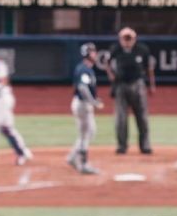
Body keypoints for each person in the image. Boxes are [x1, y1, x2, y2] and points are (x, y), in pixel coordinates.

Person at [106, 27, 155, 154]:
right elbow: (106, 62)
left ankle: (145, 145)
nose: (127, 41)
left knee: (142, 117)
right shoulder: (116, 49)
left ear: (134, 38)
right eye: (125, 38)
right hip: (121, 85)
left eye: (129, 38)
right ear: (120, 39)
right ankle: (122, 146)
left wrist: (151, 85)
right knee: (121, 118)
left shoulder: (142, 49)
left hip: (137, 84)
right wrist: (111, 76)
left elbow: (149, 68)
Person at [66, 43, 104, 174]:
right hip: (82, 105)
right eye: (93, 52)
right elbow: (82, 88)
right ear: (87, 54)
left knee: (91, 132)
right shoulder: (84, 69)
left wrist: (93, 100)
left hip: (83, 104)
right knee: (85, 135)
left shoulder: (86, 68)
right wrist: (93, 101)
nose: (95, 54)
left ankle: (72, 157)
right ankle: (83, 164)